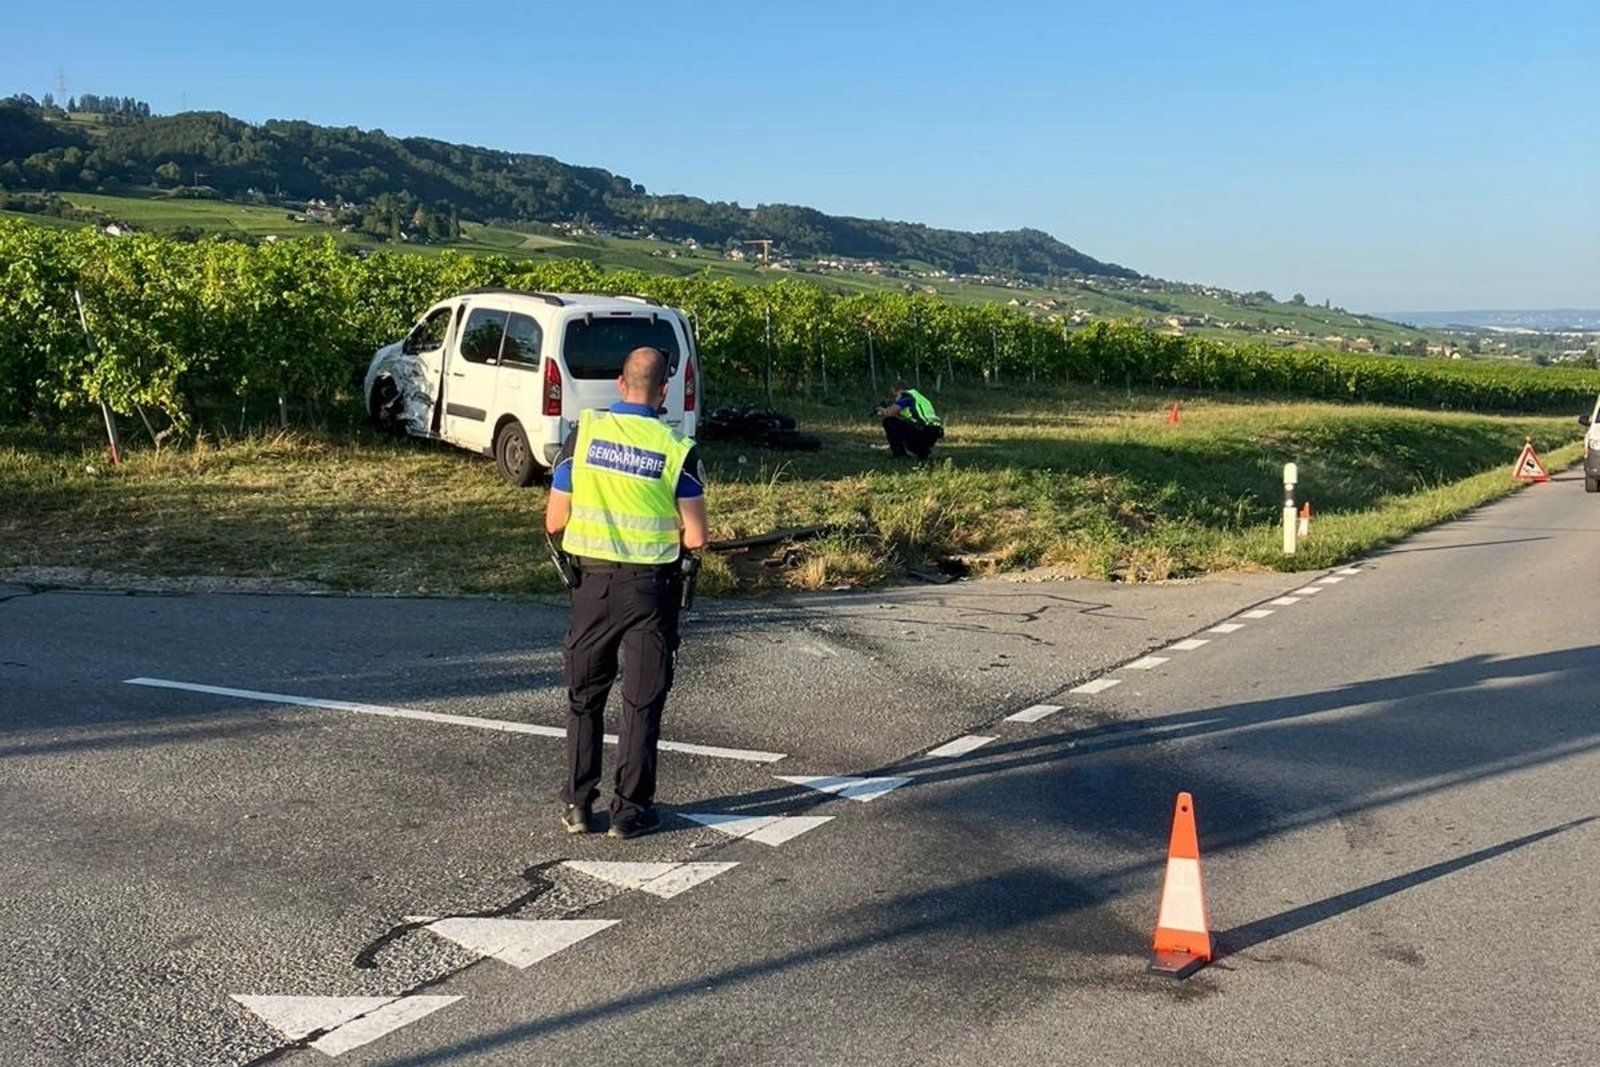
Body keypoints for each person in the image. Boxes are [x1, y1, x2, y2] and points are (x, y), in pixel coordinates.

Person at [544, 347, 708, 840]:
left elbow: (555, 519)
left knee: (585, 697)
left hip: (591, 586)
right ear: (663, 392)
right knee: (641, 701)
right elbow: (696, 537)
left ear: (620, 384)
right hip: (649, 591)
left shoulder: (584, 434)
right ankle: (629, 811)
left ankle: (577, 803)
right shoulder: (676, 448)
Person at [874, 379, 944, 460]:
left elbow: (889, 413)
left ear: (899, 391)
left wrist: (880, 409)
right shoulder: (918, 397)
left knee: (889, 422)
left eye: (894, 395)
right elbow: (909, 417)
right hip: (933, 431)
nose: (895, 400)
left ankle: (900, 455)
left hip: (923, 431)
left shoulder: (906, 397)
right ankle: (923, 453)